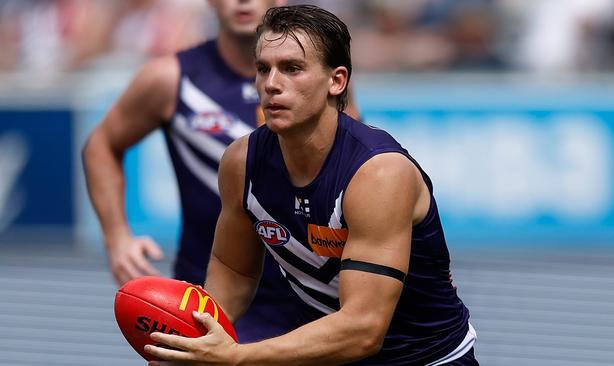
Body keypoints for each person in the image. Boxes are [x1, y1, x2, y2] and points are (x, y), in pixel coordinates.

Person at [145, 4, 478, 365]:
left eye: (292, 69)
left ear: (336, 81)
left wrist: (234, 357)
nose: (271, 84)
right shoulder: (241, 162)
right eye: (263, 69)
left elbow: (363, 330)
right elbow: (234, 269)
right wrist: (195, 340)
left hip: (427, 359)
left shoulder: (378, 174)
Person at [83, 0, 340, 343]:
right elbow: (101, 145)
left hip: (310, 297)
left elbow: (350, 176)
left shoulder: (322, 82)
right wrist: (117, 238)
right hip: (213, 297)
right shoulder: (170, 77)